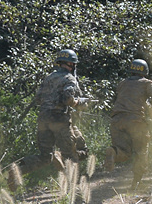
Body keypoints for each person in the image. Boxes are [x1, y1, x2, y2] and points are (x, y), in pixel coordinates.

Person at [7, 49, 90, 190]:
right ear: (71, 64)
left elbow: (39, 99)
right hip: (59, 120)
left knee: (46, 157)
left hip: (43, 119)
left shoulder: (49, 77)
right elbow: (68, 99)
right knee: (70, 155)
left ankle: (16, 170)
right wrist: (78, 103)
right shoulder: (70, 79)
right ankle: (74, 190)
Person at [105, 58, 152, 189]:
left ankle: (113, 152)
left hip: (117, 121)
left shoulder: (122, 83)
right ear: (145, 71)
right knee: (141, 151)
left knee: (124, 152)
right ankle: (136, 182)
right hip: (136, 122)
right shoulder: (147, 83)